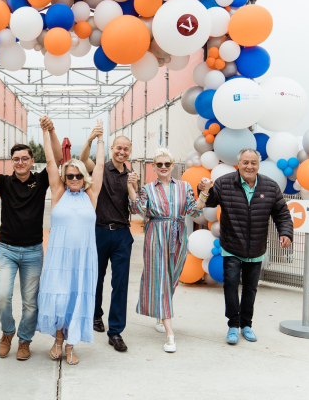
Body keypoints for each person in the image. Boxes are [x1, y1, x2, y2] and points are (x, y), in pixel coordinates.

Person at [0, 116, 63, 361]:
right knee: (3, 296)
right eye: (16, 159)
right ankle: (7, 332)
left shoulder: (41, 180)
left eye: (25, 158)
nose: (20, 162)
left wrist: (51, 130)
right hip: (6, 250)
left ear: (31, 160)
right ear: (12, 162)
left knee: (30, 302)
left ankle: (25, 340)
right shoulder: (4, 183)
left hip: (33, 251)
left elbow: (57, 159)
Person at [201, 148, 293, 345]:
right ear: (239, 163)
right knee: (231, 285)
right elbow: (208, 202)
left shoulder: (270, 186)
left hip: (257, 248)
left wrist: (285, 232)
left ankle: (247, 325)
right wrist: (204, 188)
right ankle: (233, 325)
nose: (249, 166)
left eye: (253, 163)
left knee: (251, 289)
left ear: (258, 165)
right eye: (245, 162)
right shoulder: (224, 183)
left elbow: (282, 213)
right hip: (232, 246)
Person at [36, 119, 105, 366]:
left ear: (83, 177)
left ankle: (71, 344)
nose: (74, 178)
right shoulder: (58, 192)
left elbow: (100, 168)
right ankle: (57, 340)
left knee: (78, 298)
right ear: (64, 178)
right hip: (59, 257)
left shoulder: (91, 194)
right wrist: (45, 132)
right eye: (70, 175)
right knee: (59, 298)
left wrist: (100, 140)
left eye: (78, 175)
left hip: (84, 258)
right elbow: (51, 161)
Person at [127, 148, 205, 353]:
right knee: (159, 278)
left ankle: (161, 314)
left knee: (172, 278)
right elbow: (138, 209)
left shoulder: (184, 186)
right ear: (154, 167)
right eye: (159, 164)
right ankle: (170, 334)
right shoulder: (147, 188)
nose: (163, 167)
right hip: (156, 234)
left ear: (172, 166)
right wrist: (131, 187)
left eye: (166, 164)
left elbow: (194, 210)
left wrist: (204, 193)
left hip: (178, 234)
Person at [79, 132, 133, 352]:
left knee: (120, 284)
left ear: (129, 152)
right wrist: (91, 140)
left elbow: (136, 204)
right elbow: (83, 161)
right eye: (118, 148)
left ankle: (116, 331)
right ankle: (95, 314)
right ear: (112, 148)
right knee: (97, 278)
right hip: (99, 232)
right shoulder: (99, 168)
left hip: (122, 234)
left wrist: (134, 187)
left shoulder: (131, 175)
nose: (121, 152)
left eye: (126, 149)